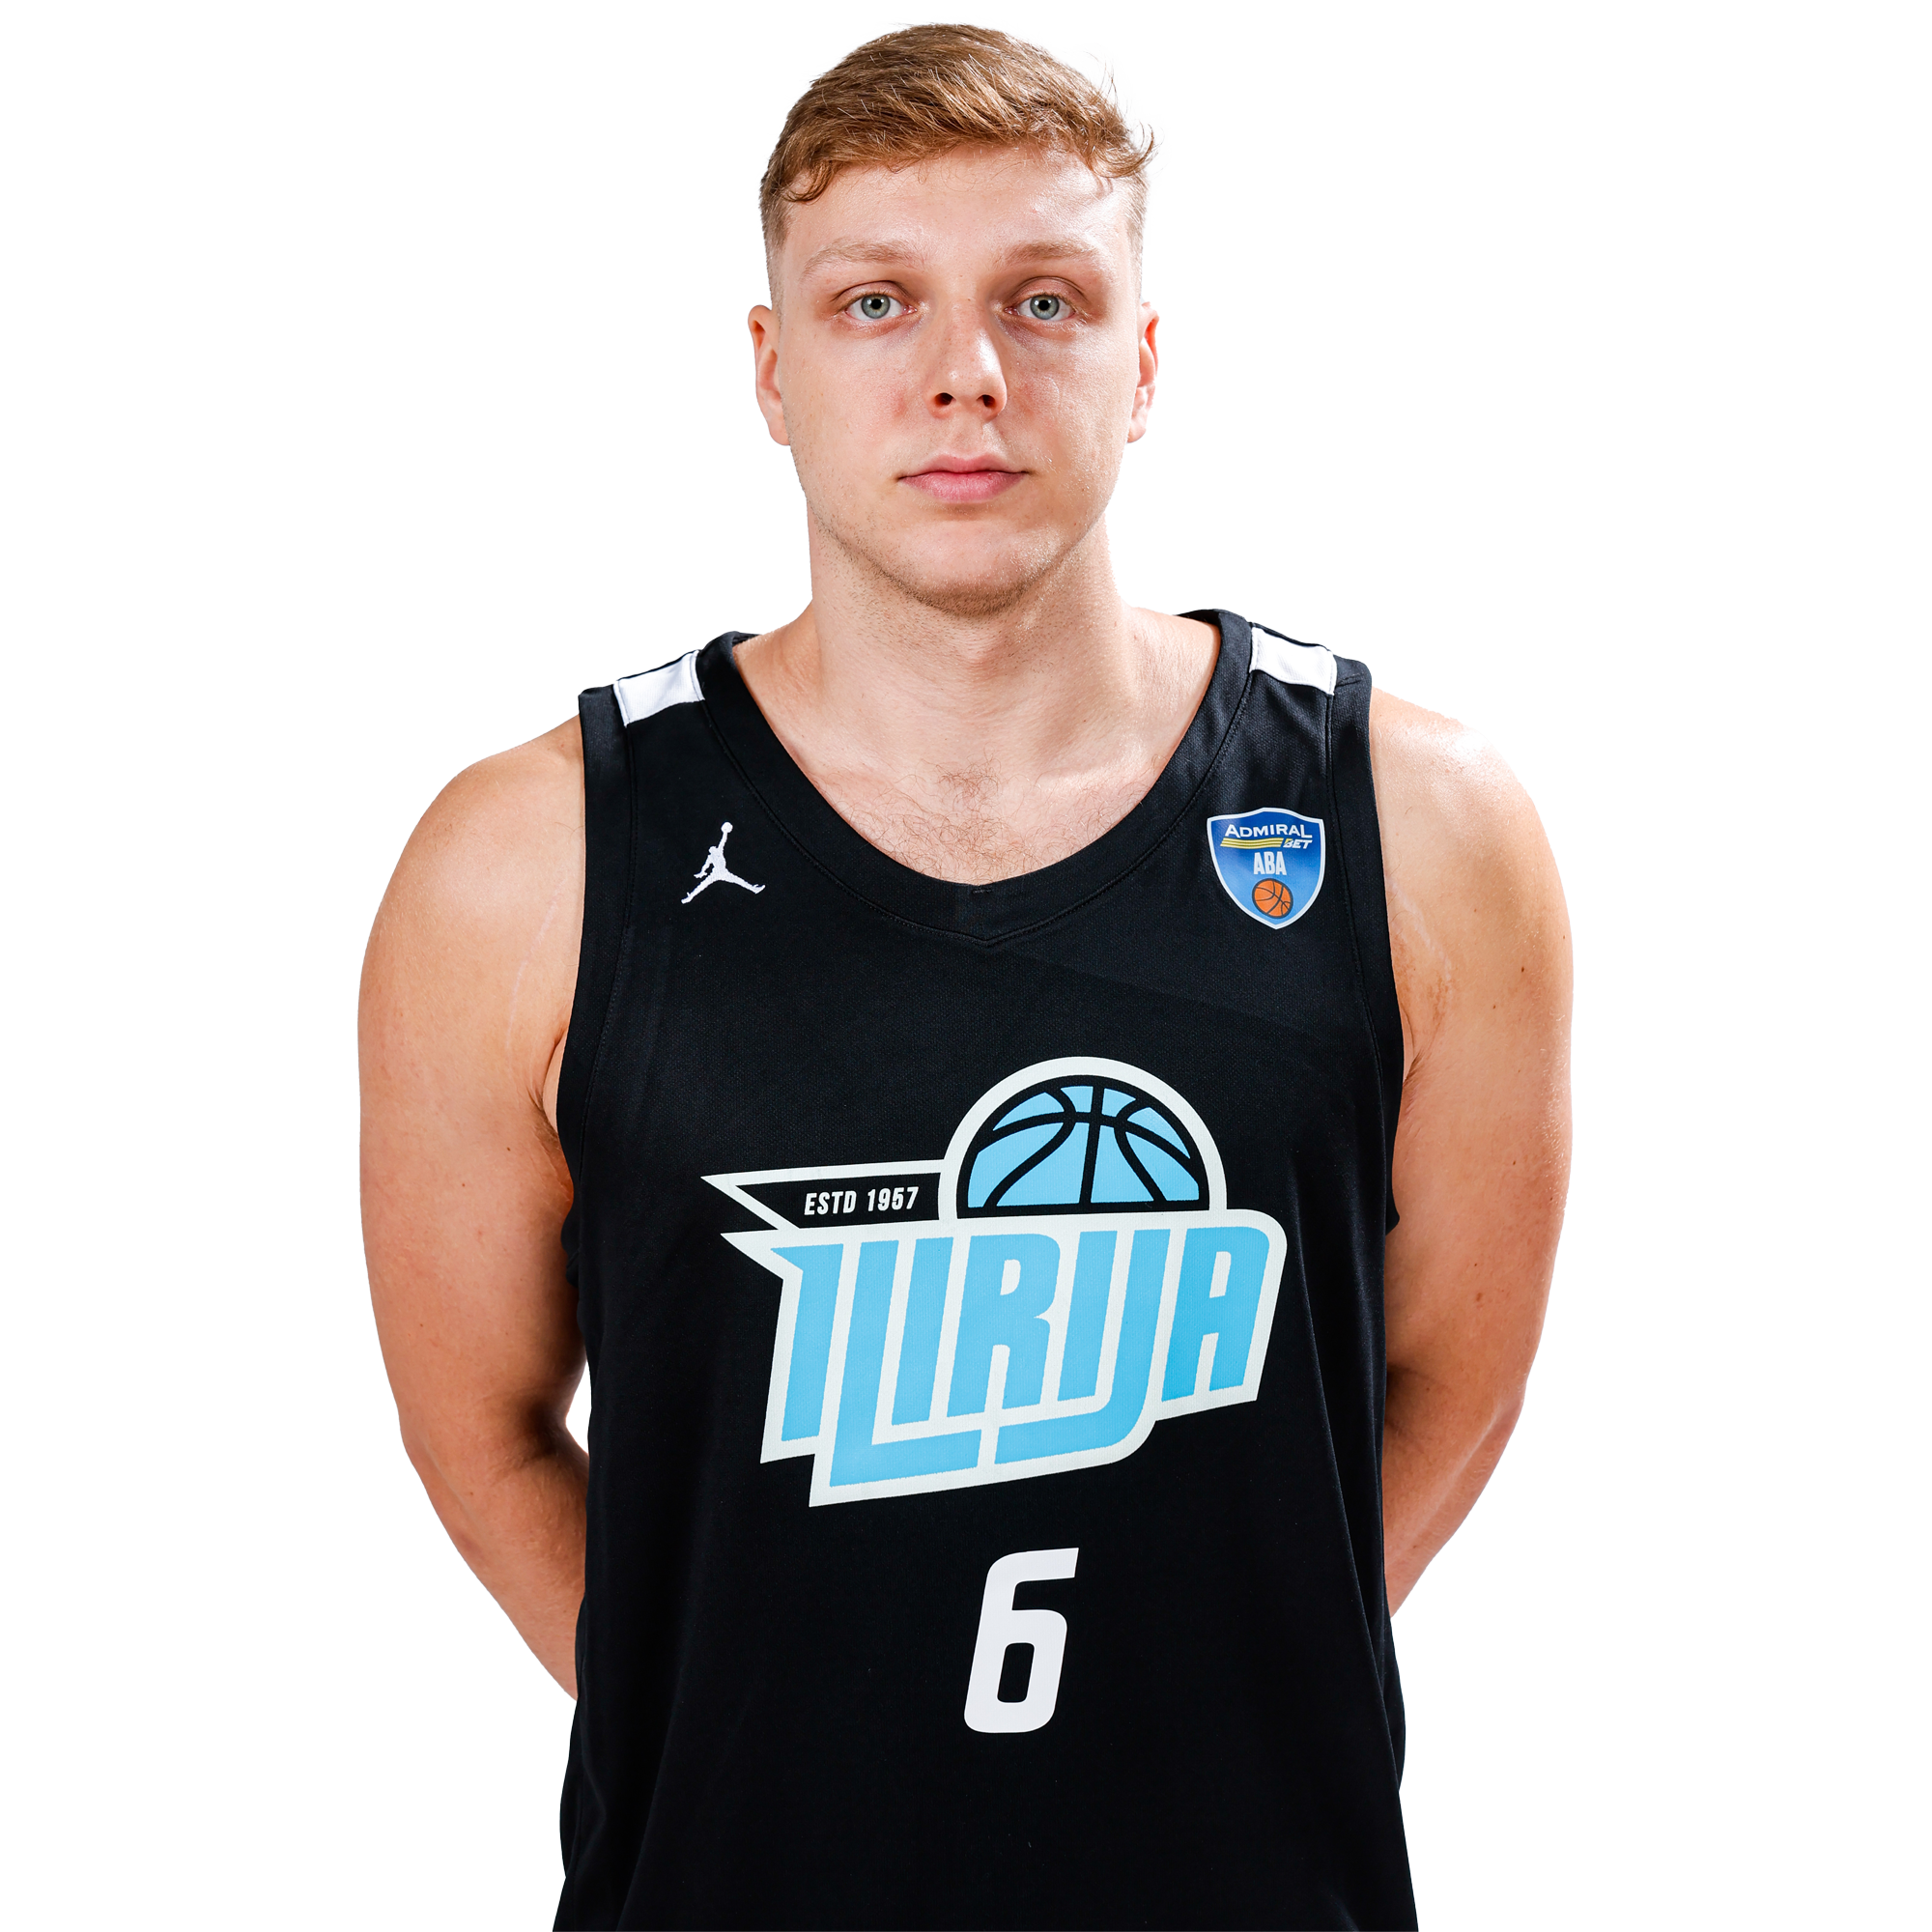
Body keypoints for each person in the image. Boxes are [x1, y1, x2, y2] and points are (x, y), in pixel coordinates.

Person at [359, 22, 1571, 1929]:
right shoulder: (526, 864)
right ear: (771, 369)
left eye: (1044, 301)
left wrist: (1202, 1697)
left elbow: (1443, 1383)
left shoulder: (1421, 828)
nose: (965, 374)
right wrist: (752, 1728)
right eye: (874, 303)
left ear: (1141, 362)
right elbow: (481, 1430)